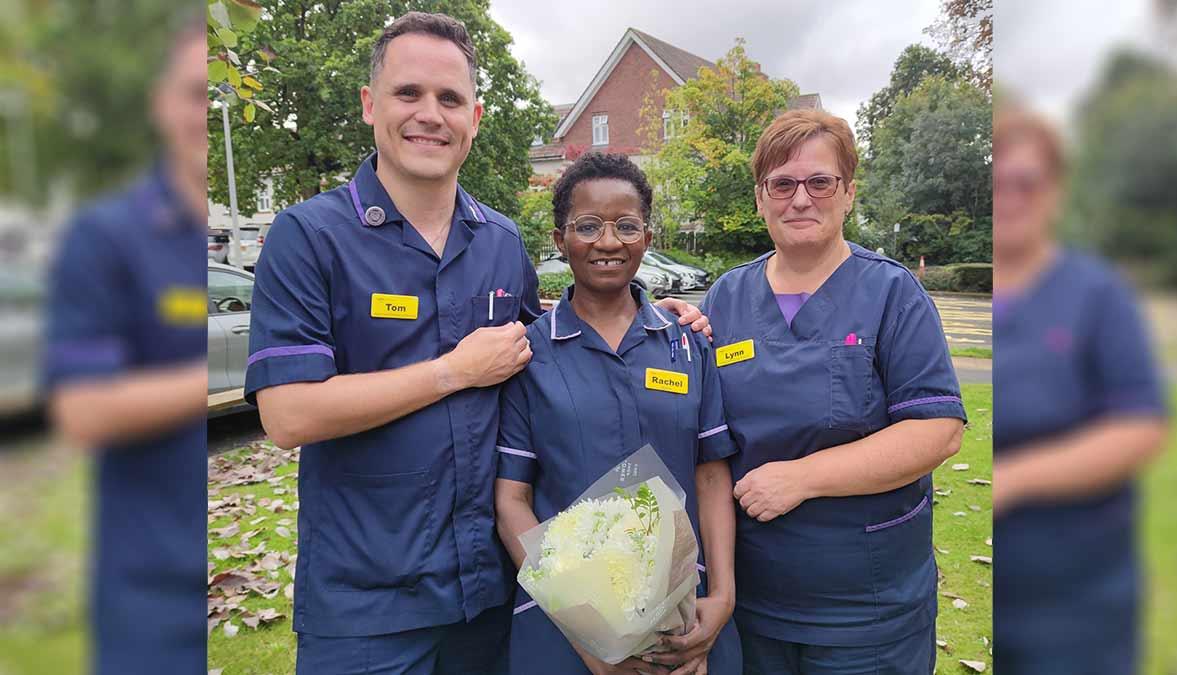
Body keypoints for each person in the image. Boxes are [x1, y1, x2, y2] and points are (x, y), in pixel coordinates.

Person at [245, 13, 708, 674]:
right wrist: (453, 371)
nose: (430, 114)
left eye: (450, 98)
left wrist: (637, 308)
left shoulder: (498, 244)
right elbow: (288, 414)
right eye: (409, 94)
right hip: (368, 605)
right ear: (371, 105)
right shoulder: (309, 237)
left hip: (488, 599)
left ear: (476, 117)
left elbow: (540, 349)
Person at [701, 109, 966, 674]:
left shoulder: (893, 294)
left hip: (867, 611)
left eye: (820, 182)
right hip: (753, 603)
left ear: (847, 194)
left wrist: (801, 478)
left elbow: (938, 432)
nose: (801, 199)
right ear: (759, 198)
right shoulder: (724, 299)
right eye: (783, 184)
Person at [493, 153, 741, 675]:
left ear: (647, 238)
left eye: (626, 226)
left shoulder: (689, 346)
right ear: (561, 241)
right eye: (588, 226)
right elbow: (512, 499)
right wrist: (591, 639)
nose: (608, 242)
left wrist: (722, 595)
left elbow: (711, 474)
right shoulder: (526, 355)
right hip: (564, 626)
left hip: (685, 616)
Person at [42, 18, 209, 675]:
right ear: (161, 103)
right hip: (152, 595)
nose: (204, 112)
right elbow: (83, 411)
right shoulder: (104, 237)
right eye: (192, 93)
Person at [991, 104, 1169, 674]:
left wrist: (1017, 479)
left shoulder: (1098, 294)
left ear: (1055, 192)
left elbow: (1141, 426)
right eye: (998, 182)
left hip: (1076, 601)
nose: (1010, 197)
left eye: (1027, 182)